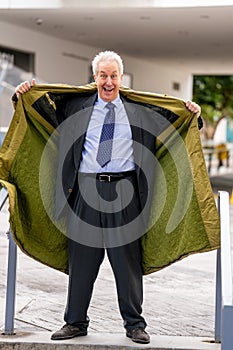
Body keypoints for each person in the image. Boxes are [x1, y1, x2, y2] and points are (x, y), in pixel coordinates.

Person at [15, 51, 202, 344]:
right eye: (103, 75)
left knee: (127, 262)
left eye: (114, 75)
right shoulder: (75, 105)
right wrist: (22, 94)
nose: (109, 81)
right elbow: (43, 111)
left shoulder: (140, 110)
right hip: (85, 192)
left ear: (121, 78)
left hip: (126, 193)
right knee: (82, 261)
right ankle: (75, 322)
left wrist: (194, 114)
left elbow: (175, 122)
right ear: (94, 77)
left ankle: (134, 325)